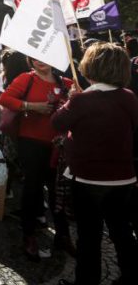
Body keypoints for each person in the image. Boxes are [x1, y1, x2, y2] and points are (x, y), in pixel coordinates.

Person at [52, 43, 138, 285]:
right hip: (123, 179)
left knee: (89, 237)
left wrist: (70, 101)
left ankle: (87, 281)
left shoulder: (81, 100)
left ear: (90, 67)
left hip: (87, 179)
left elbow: (57, 123)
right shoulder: (130, 97)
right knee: (122, 232)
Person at [0, 56, 75, 260]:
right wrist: (32, 106)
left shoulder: (66, 83)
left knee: (57, 190)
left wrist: (75, 97)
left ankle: (63, 234)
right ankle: (29, 235)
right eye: (34, 58)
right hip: (30, 141)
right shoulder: (26, 79)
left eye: (44, 57)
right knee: (32, 188)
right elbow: (4, 99)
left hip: (57, 144)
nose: (39, 62)